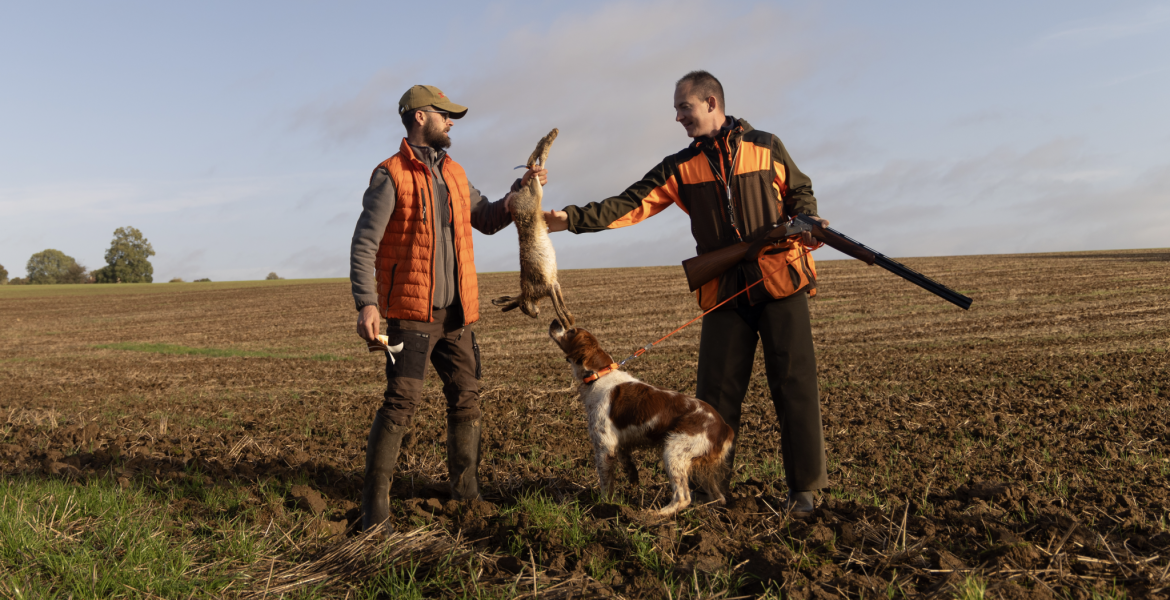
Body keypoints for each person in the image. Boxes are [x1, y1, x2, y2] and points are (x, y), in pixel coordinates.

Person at [543, 71, 829, 514]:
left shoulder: (767, 145)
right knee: (714, 396)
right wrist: (571, 219)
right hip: (724, 292)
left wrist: (808, 221)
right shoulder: (680, 165)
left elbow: (800, 192)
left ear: (711, 102)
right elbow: (630, 203)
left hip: (780, 281)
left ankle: (804, 491)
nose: (677, 117)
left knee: (794, 387)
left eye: (684, 107)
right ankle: (708, 493)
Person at [350, 85, 546, 533]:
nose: (451, 121)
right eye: (445, 114)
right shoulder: (390, 175)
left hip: (458, 315)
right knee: (401, 402)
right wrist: (367, 304)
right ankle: (374, 506)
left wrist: (523, 190)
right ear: (420, 117)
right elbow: (364, 244)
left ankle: (466, 493)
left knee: (467, 395)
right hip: (410, 313)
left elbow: (491, 217)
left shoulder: (455, 173)